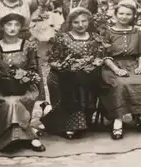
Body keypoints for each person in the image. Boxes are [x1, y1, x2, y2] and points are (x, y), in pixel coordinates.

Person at [100, 0, 141, 140]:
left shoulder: (138, 33)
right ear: (115, 14)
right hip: (112, 66)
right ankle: (118, 123)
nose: (124, 17)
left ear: (133, 16)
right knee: (120, 83)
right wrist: (116, 70)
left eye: (128, 14)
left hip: (133, 64)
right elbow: (104, 56)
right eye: (121, 13)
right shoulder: (107, 32)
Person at [0, 13, 46, 152]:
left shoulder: (28, 46)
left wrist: (24, 77)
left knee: (14, 102)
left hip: (23, 87)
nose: (12, 28)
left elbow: (33, 68)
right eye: (9, 24)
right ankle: (23, 137)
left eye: (16, 25)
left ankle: (20, 137)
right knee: (9, 102)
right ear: (2, 27)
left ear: (21, 28)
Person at [41, 7, 105, 139]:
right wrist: (64, 66)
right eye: (76, 22)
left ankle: (80, 121)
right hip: (65, 75)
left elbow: (100, 56)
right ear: (70, 23)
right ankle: (70, 125)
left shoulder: (95, 38)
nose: (81, 25)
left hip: (88, 74)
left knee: (83, 80)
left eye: (84, 21)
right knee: (72, 80)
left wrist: (94, 63)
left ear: (89, 21)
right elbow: (52, 60)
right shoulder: (62, 38)